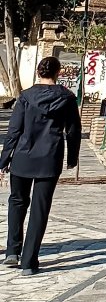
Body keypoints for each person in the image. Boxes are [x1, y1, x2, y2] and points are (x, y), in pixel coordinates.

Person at [0, 58, 82, 274]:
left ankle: (12, 252)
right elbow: (73, 132)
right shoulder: (67, 98)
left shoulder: (25, 97)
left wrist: (4, 159)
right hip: (49, 158)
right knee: (40, 209)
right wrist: (72, 158)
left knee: (17, 202)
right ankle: (29, 262)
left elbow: (14, 130)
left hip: (22, 158)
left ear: (38, 72)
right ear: (58, 72)